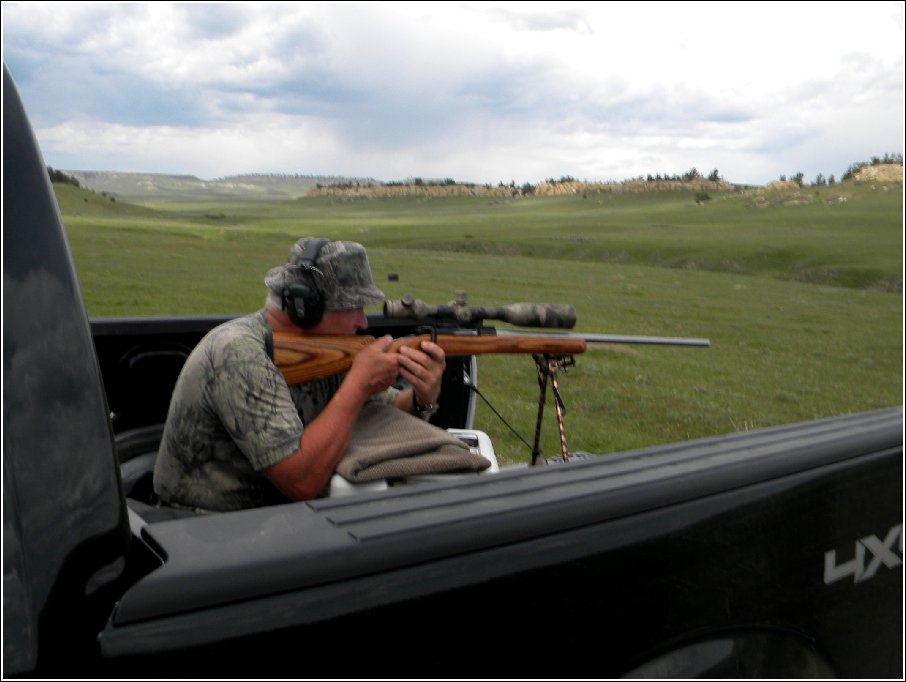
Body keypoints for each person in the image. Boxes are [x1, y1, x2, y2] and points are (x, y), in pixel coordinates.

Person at [153, 237, 446, 512]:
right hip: (204, 526)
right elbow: (301, 483)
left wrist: (423, 397)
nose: (362, 320)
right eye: (353, 306)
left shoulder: (330, 348)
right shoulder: (239, 353)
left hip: (280, 519)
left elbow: (388, 413)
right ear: (305, 307)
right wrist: (358, 386)